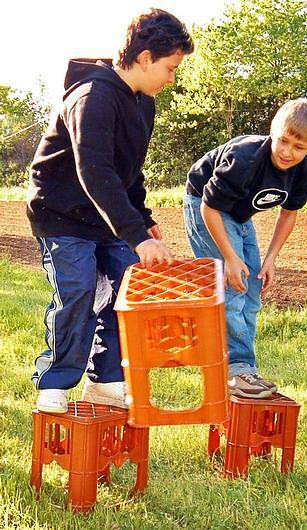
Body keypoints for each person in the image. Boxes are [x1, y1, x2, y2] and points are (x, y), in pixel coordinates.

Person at [27, 8, 194, 413]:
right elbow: (95, 171)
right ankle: (57, 382)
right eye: (170, 68)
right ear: (144, 58)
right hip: (62, 213)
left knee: (127, 285)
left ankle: (105, 380)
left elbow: (128, 171)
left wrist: (144, 218)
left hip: (104, 215)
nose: (172, 78)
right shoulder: (92, 97)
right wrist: (134, 235)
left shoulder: (144, 104)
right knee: (80, 290)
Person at [183, 98, 307, 398]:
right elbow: (209, 208)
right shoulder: (244, 158)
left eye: (299, 147)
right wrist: (230, 258)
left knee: (253, 286)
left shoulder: (303, 172)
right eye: (283, 141)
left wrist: (271, 259)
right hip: (204, 206)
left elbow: (289, 213)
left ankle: (244, 366)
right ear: (273, 131)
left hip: (238, 213)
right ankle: (236, 371)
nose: (288, 152)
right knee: (232, 285)